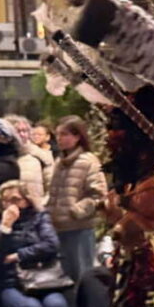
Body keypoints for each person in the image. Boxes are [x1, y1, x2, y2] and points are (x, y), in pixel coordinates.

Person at [46, 116, 108, 282]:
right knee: (64, 278)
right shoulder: (60, 161)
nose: (59, 139)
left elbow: (98, 194)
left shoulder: (88, 161)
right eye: (57, 134)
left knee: (82, 277)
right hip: (58, 227)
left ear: (77, 136)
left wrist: (77, 210)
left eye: (64, 134)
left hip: (78, 228)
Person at [4, 115, 52, 205]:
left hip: (35, 213)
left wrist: (41, 206)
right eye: (17, 131)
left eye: (25, 131)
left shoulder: (41, 157)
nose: (22, 135)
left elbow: (52, 189)